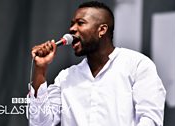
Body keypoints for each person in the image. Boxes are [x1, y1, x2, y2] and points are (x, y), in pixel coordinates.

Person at [29, 1, 166, 126]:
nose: (72, 29)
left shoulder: (137, 65)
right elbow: (40, 124)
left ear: (102, 30)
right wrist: (40, 70)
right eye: (72, 24)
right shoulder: (65, 78)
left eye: (80, 23)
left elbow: (150, 120)